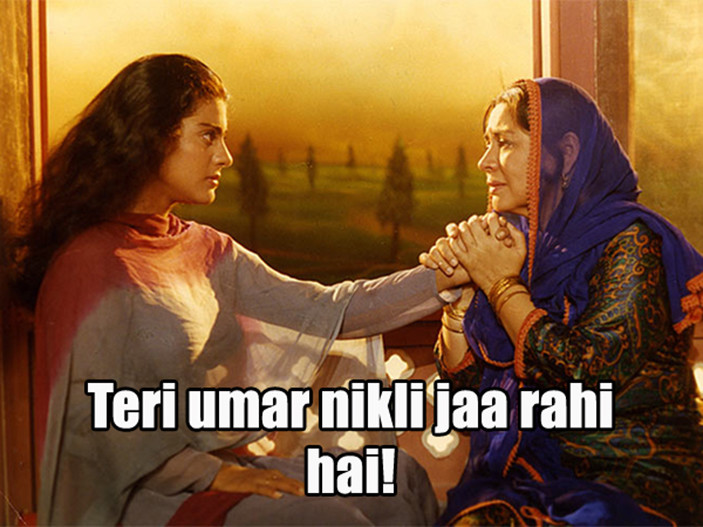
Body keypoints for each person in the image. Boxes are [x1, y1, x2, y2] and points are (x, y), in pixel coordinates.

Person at [13, 54, 473, 525]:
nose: (225, 156)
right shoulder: (88, 264)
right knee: (331, 521)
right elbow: (95, 424)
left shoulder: (210, 250)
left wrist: (450, 272)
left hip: (219, 468)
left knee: (397, 481)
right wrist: (215, 474)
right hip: (138, 497)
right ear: (151, 136)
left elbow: (327, 308)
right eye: (208, 135)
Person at [420, 78, 703, 525]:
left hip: (632, 480)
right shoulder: (523, 246)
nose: (485, 161)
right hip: (538, 478)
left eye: (504, 143)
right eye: (487, 143)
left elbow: (584, 373)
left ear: (566, 153)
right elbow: (469, 401)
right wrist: (461, 301)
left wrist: (499, 284)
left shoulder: (632, 242)